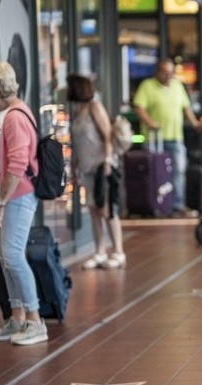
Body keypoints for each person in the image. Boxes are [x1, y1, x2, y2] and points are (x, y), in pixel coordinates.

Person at [0, 61, 46, 346]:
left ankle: (35, 321)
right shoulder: (17, 111)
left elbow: (16, 165)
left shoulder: (13, 118)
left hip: (19, 196)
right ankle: (16, 317)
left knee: (13, 257)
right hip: (17, 195)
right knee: (6, 257)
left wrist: (2, 199)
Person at [133, 57, 202, 217]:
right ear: (157, 72)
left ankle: (177, 205)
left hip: (175, 137)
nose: (168, 76)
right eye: (165, 73)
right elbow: (139, 108)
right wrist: (150, 122)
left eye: (171, 73)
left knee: (178, 171)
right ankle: (156, 204)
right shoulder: (147, 86)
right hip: (154, 139)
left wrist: (195, 124)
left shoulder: (177, 86)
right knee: (154, 172)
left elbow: (186, 108)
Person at [66, 74, 125, 269]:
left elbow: (107, 135)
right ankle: (100, 251)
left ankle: (118, 251)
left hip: (101, 165)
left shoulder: (94, 107)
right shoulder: (77, 111)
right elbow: (77, 143)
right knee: (93, 209)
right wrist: (74, 166)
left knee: (106, 208)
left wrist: (108, 161)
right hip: (86, 167)